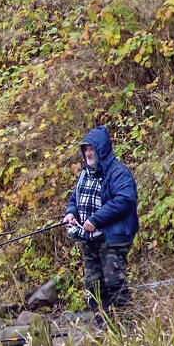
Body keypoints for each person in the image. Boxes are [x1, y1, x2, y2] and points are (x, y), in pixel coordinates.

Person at [62, 125, 139, 313]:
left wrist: (96, 219)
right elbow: (75, 199)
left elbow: (125, 199)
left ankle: (127, 326)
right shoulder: (84, 174)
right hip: (89, 238)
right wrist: (71, 213)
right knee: (93, 284)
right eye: (86, 150)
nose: (88, 154)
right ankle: (103, 328)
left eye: (92, 149)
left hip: (113, 236)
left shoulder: (118, 172)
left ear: (101, 149)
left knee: (114, 281)